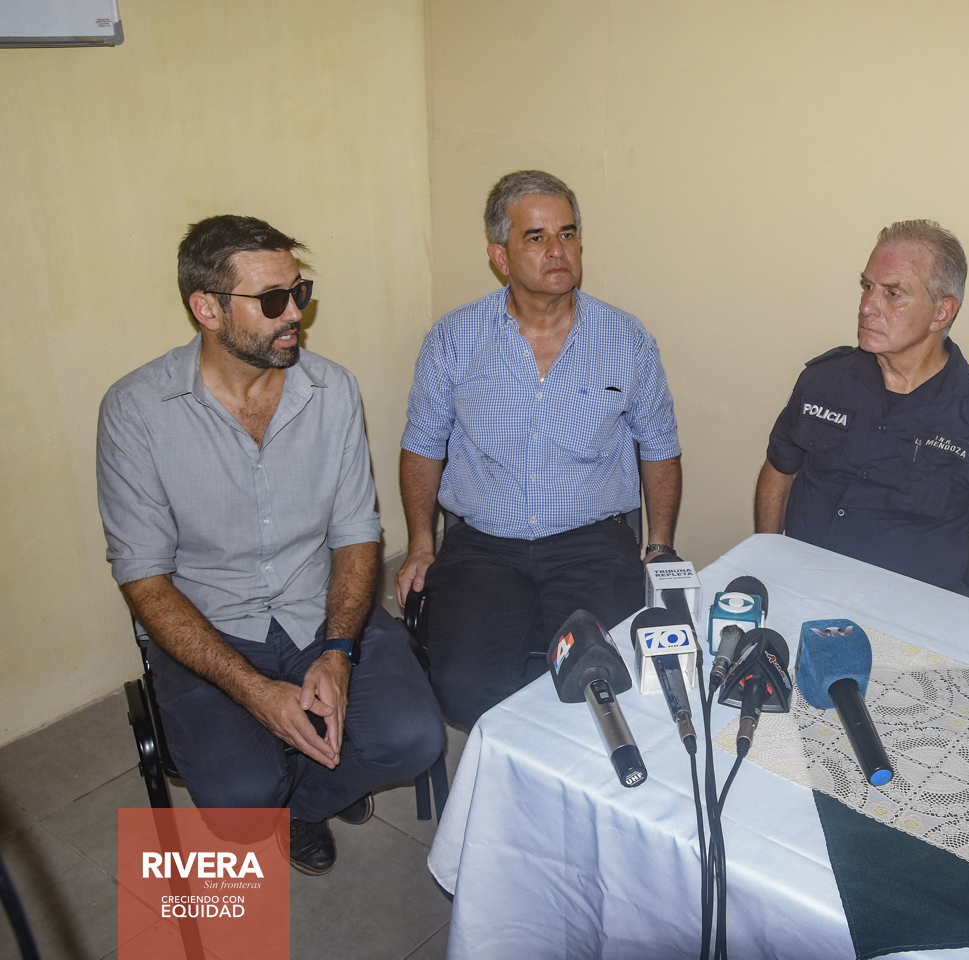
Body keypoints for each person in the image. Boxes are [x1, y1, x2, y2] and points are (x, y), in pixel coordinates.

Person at [97, 216, 445, 875]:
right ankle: (284, 790)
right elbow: (144, 580)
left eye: (299, 292)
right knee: (239, 805)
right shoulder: (136, 411)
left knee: (414, 739)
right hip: (211, 625)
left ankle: (305, 805)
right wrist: (254, 692)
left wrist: (338, 653)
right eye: (273, 300)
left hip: (319, 607)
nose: (295, 316)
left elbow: (355, 533)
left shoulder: (332, 390)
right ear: (207, 309)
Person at [397, 170, 682, 728]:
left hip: (590, 545)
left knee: (602, 683)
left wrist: (660, 545)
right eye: (536, 237)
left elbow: (660, 447)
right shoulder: (454, 339)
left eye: (567, 234)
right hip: (483, 547)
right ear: (499, 257)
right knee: (462, 690)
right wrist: (419, 545)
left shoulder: (626, 340)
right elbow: (422, 446)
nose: (558, 250)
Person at [754, 220, 969, 612]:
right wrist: (768, 562)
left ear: (941, 312)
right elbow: (779, 469)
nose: (866, 306)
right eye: (867, 286)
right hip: (800, 592)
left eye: (893, 293)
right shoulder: (825, 381)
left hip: (908, 618)